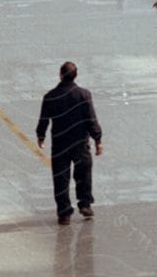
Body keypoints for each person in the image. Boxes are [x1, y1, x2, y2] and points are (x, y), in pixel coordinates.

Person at [37, 61, 103, 225]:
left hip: (60, 144)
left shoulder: (50, 96)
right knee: (84, 174)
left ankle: (64, 212)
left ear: (60, 75)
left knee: (60, 178)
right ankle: (85, 204)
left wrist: (41, 136)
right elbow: (91, 119)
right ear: (76, 75)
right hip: (80, 143)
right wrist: (98, 139)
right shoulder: (84, 95)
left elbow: (44, 119)